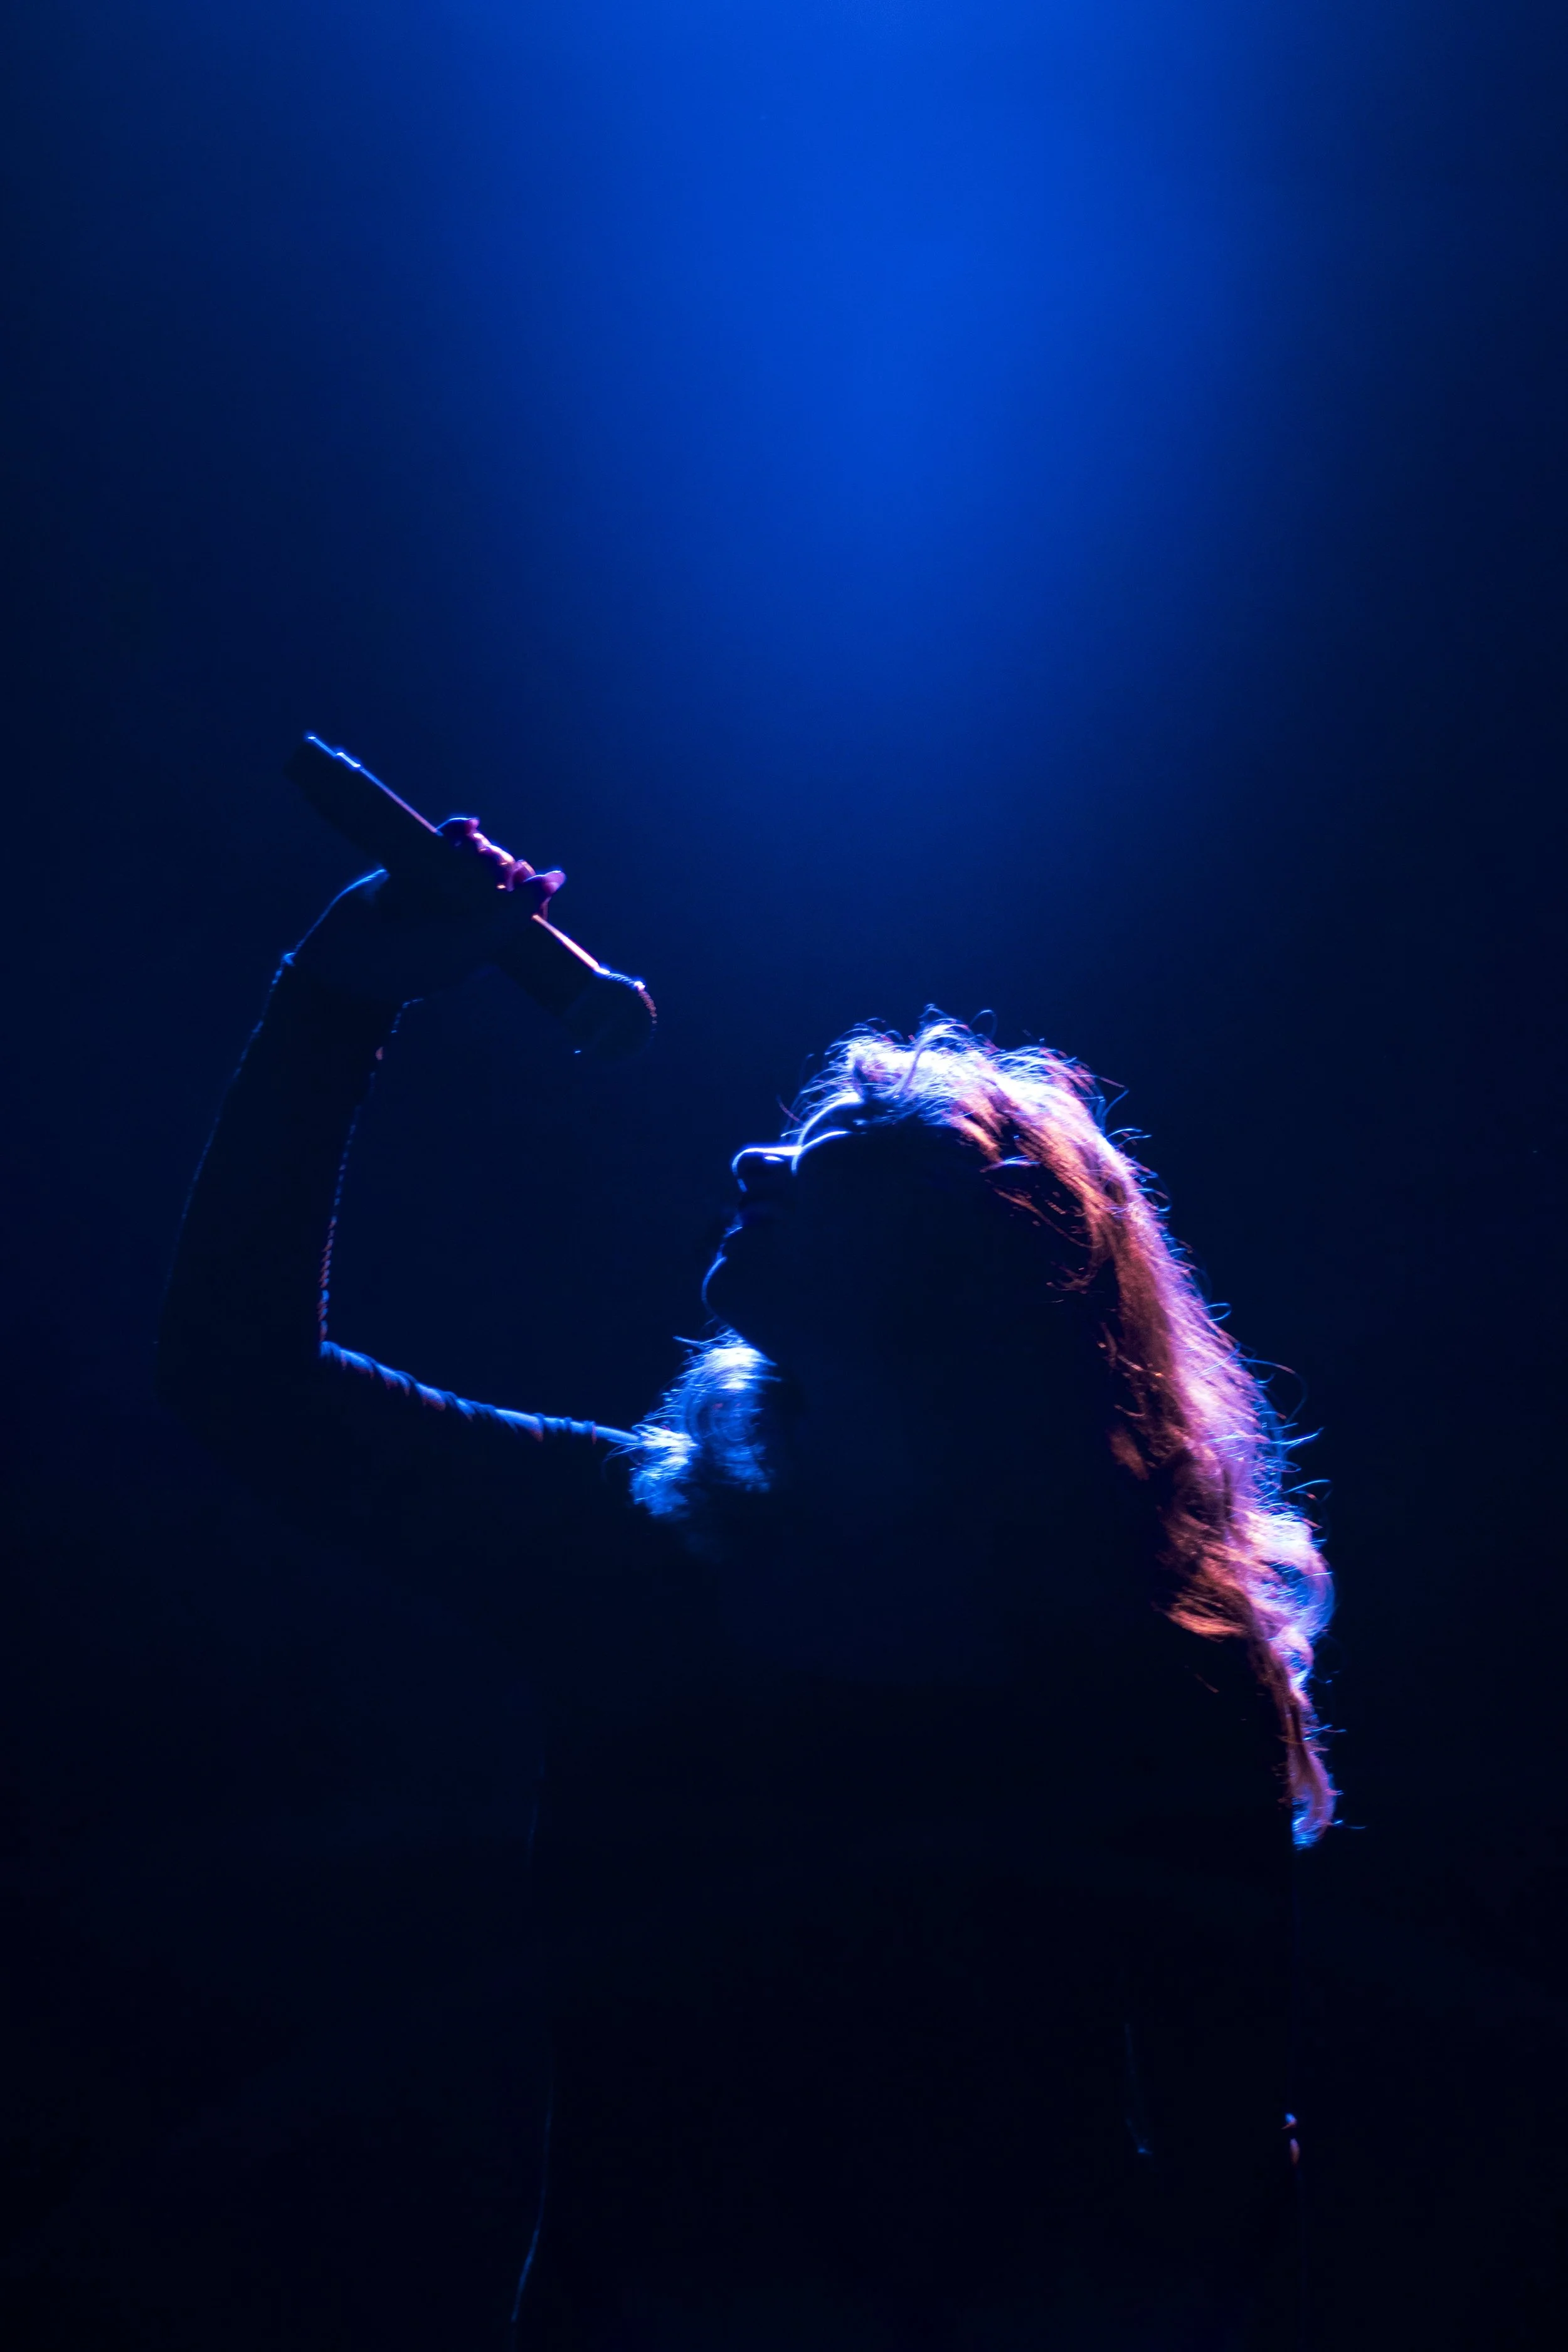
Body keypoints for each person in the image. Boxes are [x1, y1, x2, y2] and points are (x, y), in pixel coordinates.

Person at [158, 818, 1335, 2350]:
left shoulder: (1158, 1680)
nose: (752, 1155)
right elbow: (239, 1379)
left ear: (967, 1283)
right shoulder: (642, 1547)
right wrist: (334, 997)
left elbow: (1221, 2161)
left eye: (829, 1161)